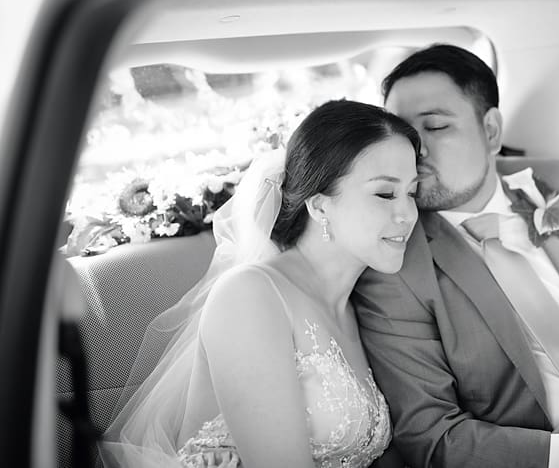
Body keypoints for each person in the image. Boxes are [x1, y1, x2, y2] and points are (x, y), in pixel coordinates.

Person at [352, 45, 559, 468]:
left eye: (435, 126)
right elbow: (434, 435)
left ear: (491, 130)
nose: (414, 149)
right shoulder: (393, 264)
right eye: (402, 133)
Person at [101, 99, 420, 468]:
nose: (408, 214)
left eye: (412, 192)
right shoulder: (250, 295)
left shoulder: (359, 308)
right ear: (319, 206)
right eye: (385, 194)